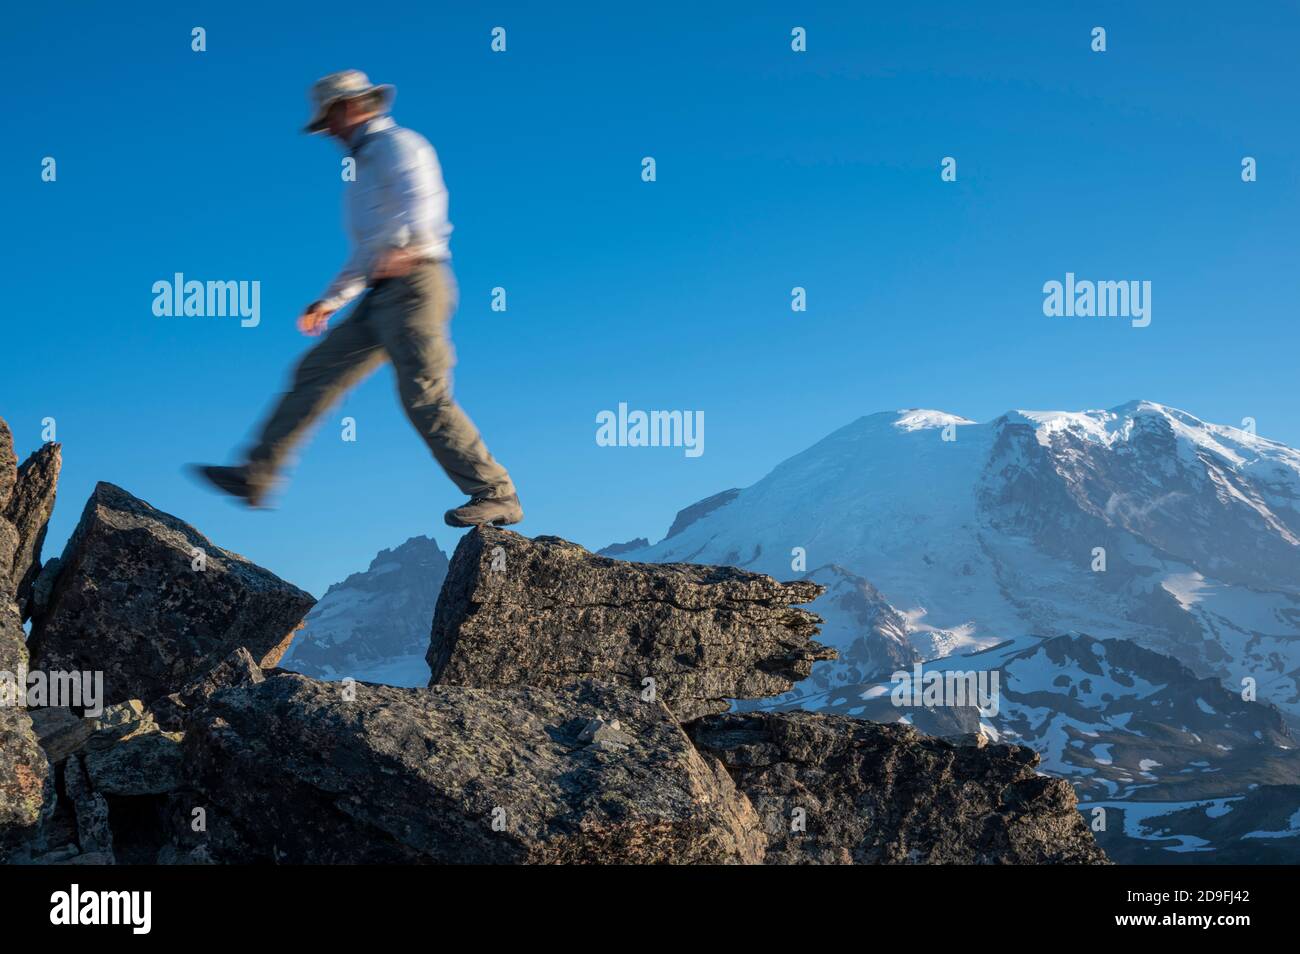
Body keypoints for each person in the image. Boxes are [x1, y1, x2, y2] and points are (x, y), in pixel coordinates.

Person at [194, 70, 521, 528]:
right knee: (315, 371)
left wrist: (406, 246)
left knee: (423, 393)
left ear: (348, 108)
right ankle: (257, 475)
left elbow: (423, 199)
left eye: (329, 120)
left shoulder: (399, 145)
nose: (328, 132)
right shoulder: (361, 170)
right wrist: (330, 301)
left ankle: (496, 492)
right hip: (378, 294)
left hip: (416, 282)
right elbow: (366, 254)